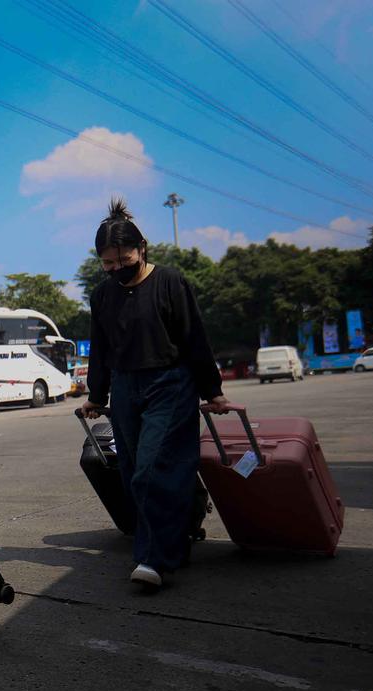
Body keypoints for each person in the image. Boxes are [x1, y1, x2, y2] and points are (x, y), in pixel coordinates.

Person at [80, 199, 232, 590]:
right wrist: (97, 394)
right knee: (133, 473)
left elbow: (194, 337)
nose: (116, 269)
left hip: (171, 383)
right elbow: (101, 348)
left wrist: (212, 390)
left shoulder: (170, 282)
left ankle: (153, 559)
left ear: (141, 249)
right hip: (127, 387)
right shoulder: (102, 297)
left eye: (123, 259)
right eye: (108, 264)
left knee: (152, 468)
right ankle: (177, 536)